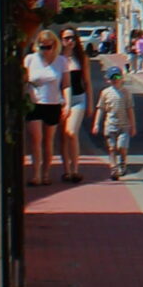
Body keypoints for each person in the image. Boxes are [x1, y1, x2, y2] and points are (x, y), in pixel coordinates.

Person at [23, 31, 68, 186]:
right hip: (35, 103)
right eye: (42, 47)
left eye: (49, 47)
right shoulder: (30, 59)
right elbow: (24, 80)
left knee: (48, 141)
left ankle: (46, 173)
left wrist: (67, 103)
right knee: (36, 139)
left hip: (53, 103)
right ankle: (36, 174)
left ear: (55, 45)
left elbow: (66, 84)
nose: (46, 50)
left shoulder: (61, 61)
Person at [94, 67, 136, 180]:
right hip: (110, 125)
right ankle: (113, 167)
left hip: (124, 126)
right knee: (112, 148)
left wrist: (133, 126)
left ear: (122, 78)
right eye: (112, 78)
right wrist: (96, 124)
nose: (115, 80)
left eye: (117, 77)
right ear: (108, 80)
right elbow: (100, 109)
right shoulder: (105, 93)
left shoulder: (126, 93)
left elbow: (130, 109)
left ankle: (123, 162)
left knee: (121, 146)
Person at [59, 27, 90, 181]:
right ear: (61, 41)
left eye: (72, 38)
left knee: (71, 132)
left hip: (78, 99)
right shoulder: (57, 58)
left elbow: (87, 82)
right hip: (60, 100)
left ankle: (75, 169)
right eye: (66, 38)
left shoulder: (81, 58)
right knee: (63, 136)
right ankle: (67, 171)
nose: (70, 41)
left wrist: (90, 104)